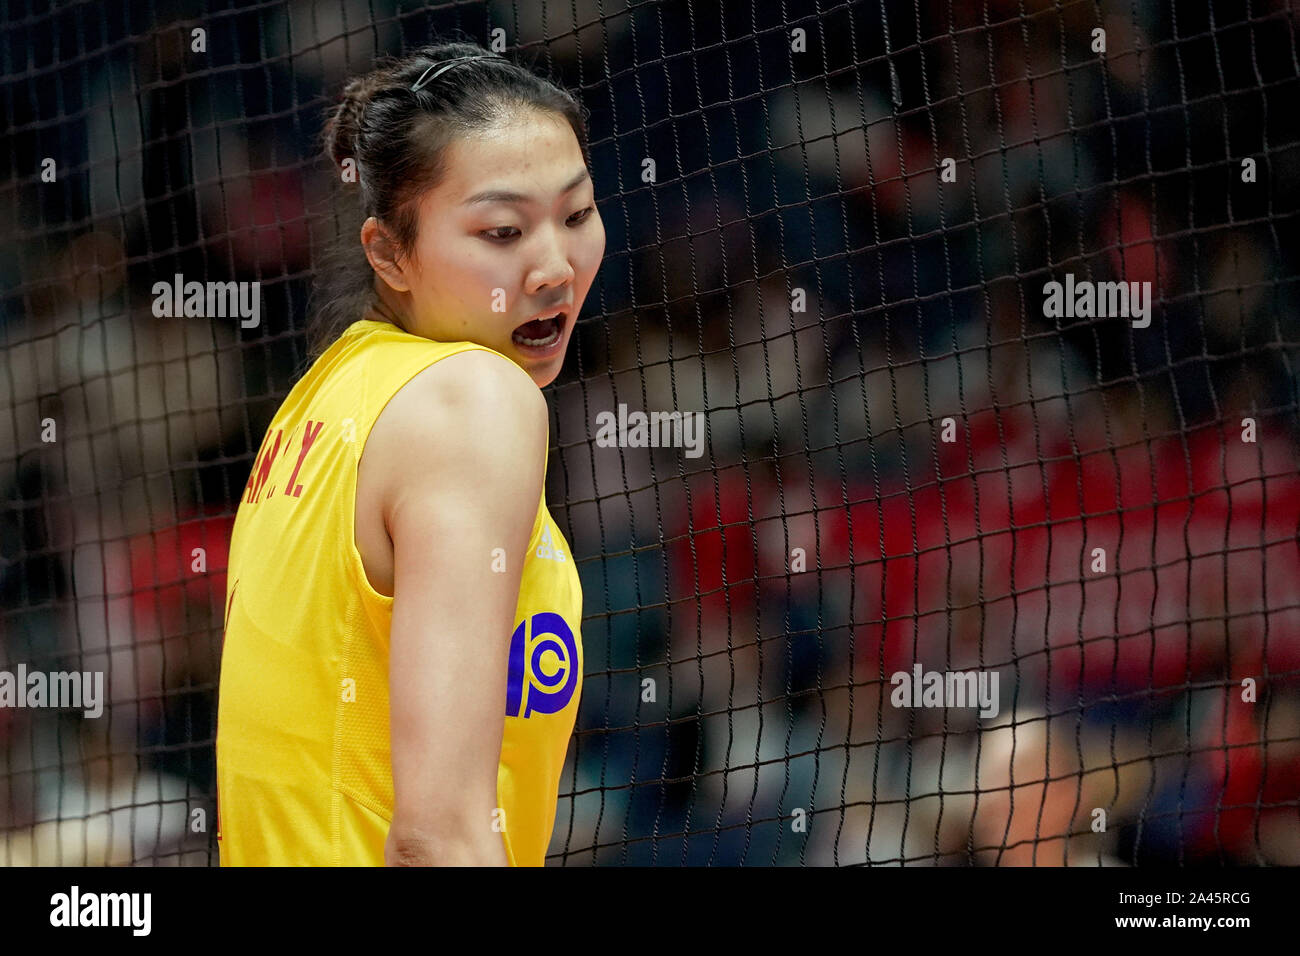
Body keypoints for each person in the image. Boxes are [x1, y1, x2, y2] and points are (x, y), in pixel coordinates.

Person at [215, 41, 605, 866]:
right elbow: (437, 836)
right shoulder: (476, 399)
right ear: (388, 253)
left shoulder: (320, 402)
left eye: (576, 215)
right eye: (502, 231)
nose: (553, 267)